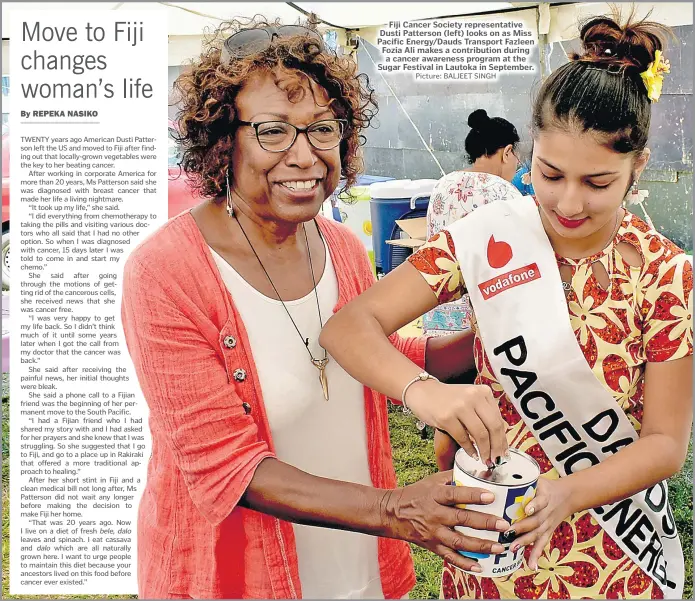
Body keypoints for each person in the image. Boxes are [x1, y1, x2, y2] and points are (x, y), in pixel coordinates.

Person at [120, 18, 511, 600]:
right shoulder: (166, 272)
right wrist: (396, 510)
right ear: (223, 138)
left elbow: (358, 360)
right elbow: (229, 469)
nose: (305, 156)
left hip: (356, 567)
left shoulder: (343, 248)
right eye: (274, 132)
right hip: (244, 578)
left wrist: (490, 335)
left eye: (322, 129)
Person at [320, 13, 692, 600]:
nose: (567, 202)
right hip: (490, 532)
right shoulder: (487, 236)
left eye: (597, 182)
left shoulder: (665, 273)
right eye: (549, 173)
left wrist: (566, 493)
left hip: (611, 551)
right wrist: (427, 392)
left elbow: (664, 445)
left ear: (637, 167)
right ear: (529, 153)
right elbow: (349, 329)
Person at [424, 109, 521, 338]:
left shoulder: (442, 185)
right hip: (482, 326)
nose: (516, 165)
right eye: (516, 157)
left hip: (435, 314)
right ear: (507, 152)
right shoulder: (504, 192)